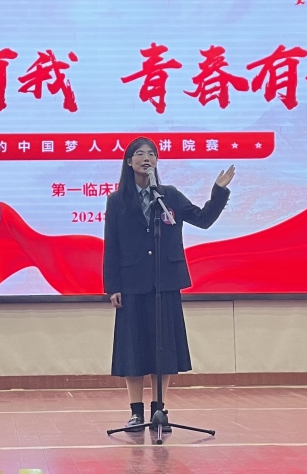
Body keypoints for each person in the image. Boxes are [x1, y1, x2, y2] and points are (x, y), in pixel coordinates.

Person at [103, 136, 235, 432]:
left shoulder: (170, 196)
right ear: (129, 161)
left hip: (165, 282)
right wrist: (112, 286)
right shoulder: (117, 200)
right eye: (140, 153)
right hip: (132, 283)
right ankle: (136, 413)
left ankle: (158, 411)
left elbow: (203, 219)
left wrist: (219, 191)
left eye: (152, 153)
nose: (146, 158)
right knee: (134, 350)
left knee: (163, 349)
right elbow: (112, 245)